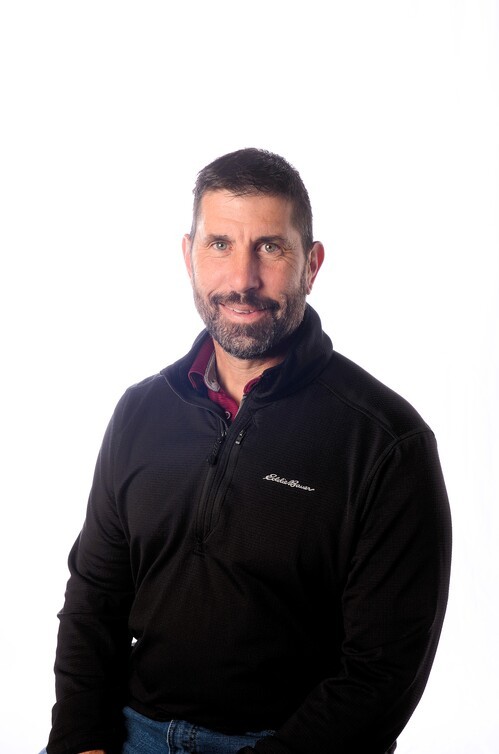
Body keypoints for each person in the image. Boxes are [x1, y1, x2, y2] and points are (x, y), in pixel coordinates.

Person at [44, 148, 452, 754]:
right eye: (220, 245)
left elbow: (381, 674)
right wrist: (82, 741)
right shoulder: (140, 411)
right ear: (189, 255)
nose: (242, 279)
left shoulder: (387, 443)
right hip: (131, 732)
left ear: (311, 264)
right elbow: (93, 598)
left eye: (270, 247)